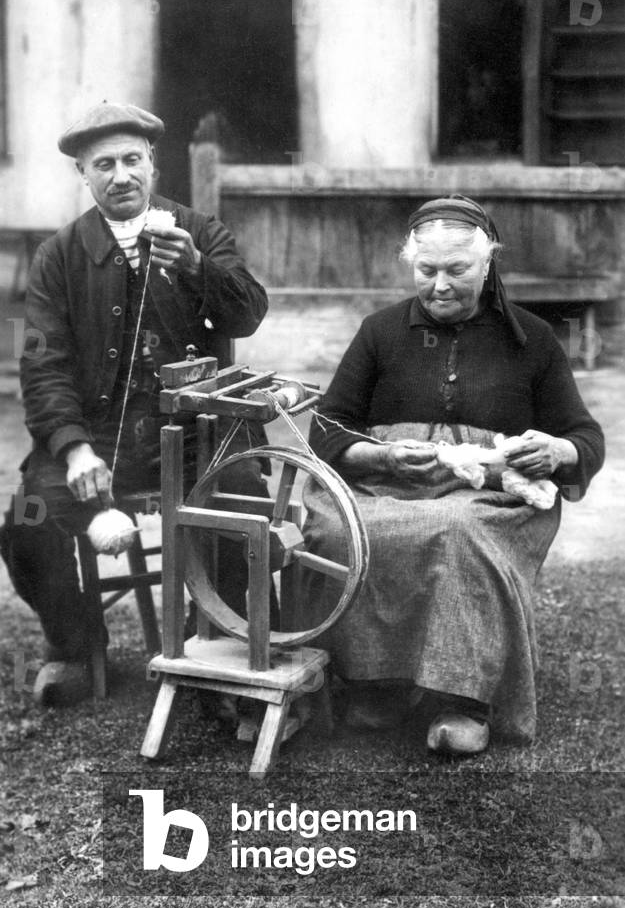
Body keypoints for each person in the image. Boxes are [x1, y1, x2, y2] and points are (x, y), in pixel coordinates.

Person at [304, 195, 604, 755]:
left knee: (457, 529)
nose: (440, 285)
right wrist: (385, 457)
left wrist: (557, 451)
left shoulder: (531, 339)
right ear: (411, 266)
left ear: (487, 266)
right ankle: (378, 683)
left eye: (457, 270)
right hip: (385, 483)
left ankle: (461, 700)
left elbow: (584, 436)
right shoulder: (380, 331)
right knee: (343, 528)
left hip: (487, 494)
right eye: (427, 270)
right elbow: (327, 428)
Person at [0, 102, 269, 705]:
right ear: (83, 175)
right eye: (104, 165)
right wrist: (72, 451)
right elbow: (40, 364)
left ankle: (231, 651)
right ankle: (74, 645)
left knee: (244, 501)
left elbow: (248, 314)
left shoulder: (201, 233)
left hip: (199, 436)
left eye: (131, 160)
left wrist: (199, 268)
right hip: (95, 444)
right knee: (27, 521)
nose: (120, 175)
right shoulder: (57, 257)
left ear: (153, 164)